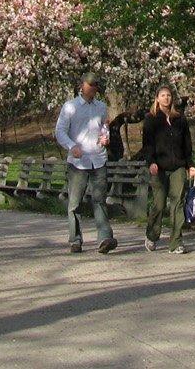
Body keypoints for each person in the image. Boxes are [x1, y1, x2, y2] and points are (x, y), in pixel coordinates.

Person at [54, 71, 116, 254]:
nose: (92, 90)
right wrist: (72, 146)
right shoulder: (70, 107)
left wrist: (106, 137)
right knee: (75, 203)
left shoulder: (101, 107)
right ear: (82, 86)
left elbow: (104, 128)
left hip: (98, 159)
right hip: (78, 161)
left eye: (95, 86)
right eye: (89, 86)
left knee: (99, 200)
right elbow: (60, 131)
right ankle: (75, 239)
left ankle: (105, 237)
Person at [138, 84, 195, 253]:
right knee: (159, 203)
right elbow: (147, 145)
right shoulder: (151, 119)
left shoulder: (180, 119)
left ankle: (176, 242)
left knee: (177, 202)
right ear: (157, 98)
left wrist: (190, 165)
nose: (166, 98)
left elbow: (187, 145)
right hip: (159, 166)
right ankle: (152, 234)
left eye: (168, 95)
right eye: (163, 95)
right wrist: (151, 162)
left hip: (178, 166)